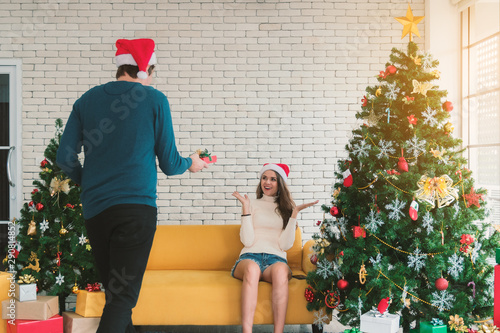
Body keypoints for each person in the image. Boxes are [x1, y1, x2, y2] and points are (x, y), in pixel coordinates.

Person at [56, 38, 208, 333]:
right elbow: (169, 163)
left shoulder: (86, 101)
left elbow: (64, 157)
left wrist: (88, 182)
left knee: (116, 295)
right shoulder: (153, 99)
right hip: (135, 210)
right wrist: (191, 162)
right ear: (144, 68)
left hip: (96, 210)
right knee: (122, 298)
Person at [231, 163, 318, 333]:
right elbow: (247, 241)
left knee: (280, 271)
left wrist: (294, 215)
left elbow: (284, 246)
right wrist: (246, 210)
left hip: (275, 260)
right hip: (250, 257)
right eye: (264, 178)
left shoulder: (286, 209)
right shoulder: (252, 203)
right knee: (252, 269)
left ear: (280, 183)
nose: (267, 182)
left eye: (273, 179)